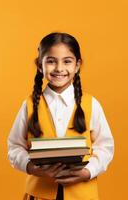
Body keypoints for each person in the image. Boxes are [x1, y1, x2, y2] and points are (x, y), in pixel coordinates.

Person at [7, 32, 114, 200]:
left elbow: (105, 147)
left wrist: (88, 172)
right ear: (40, 65)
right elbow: (14, 147)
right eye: (51, 61)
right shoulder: (28, 105)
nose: (59, 68)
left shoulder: (91, 104)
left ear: (77, 65)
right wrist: (31, 167)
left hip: (82, 194)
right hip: (38, 194)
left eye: (67, 61)